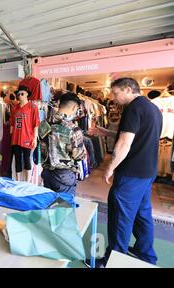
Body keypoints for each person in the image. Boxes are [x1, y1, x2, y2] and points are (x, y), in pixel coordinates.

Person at [88, 78, 162, 267]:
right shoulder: (151, 108)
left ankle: (113, 260)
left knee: (120, 217)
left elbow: (125, 143)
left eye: (115, 93)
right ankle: (146, 254)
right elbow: (134, 135)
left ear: (128, 89)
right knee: (142, 213)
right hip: (147, 171)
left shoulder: (133, 109)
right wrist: (106, 132)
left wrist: (109, 167)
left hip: (131, 172)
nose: (112, 97)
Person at [40, 92, 86, 196]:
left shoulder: (43, 124)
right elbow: (78, 156)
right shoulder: (73, 129)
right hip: (63, 175)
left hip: (47, 173)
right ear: (74, 107)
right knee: (65, 208)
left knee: (49, 207)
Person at [10, 86, 39, 182]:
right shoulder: (15, 108)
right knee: (17, 159)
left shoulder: (33, 107)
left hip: (27, 137)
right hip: (16, 138)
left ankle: (27, 182)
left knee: (27, 159)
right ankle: (17, 181)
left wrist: (34, 138)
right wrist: (11, 134)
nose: (20, 96)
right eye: (18, 94)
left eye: (22, 94)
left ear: (27, 94)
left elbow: (36, 124)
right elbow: (12, 123)